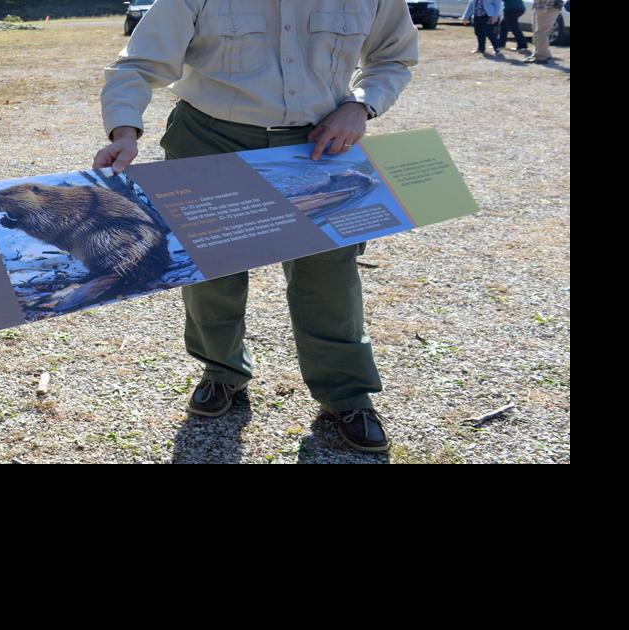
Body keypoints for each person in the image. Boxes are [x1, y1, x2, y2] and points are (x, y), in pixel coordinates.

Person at [93, 0, 417, 453]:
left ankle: (346, 394)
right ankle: (221, 371)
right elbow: (138, 64)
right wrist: (124, 132)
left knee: (329, 275)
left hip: (319, 142)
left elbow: (393, 56)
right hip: (211, 139)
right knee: (212, 270)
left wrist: (361, 106)